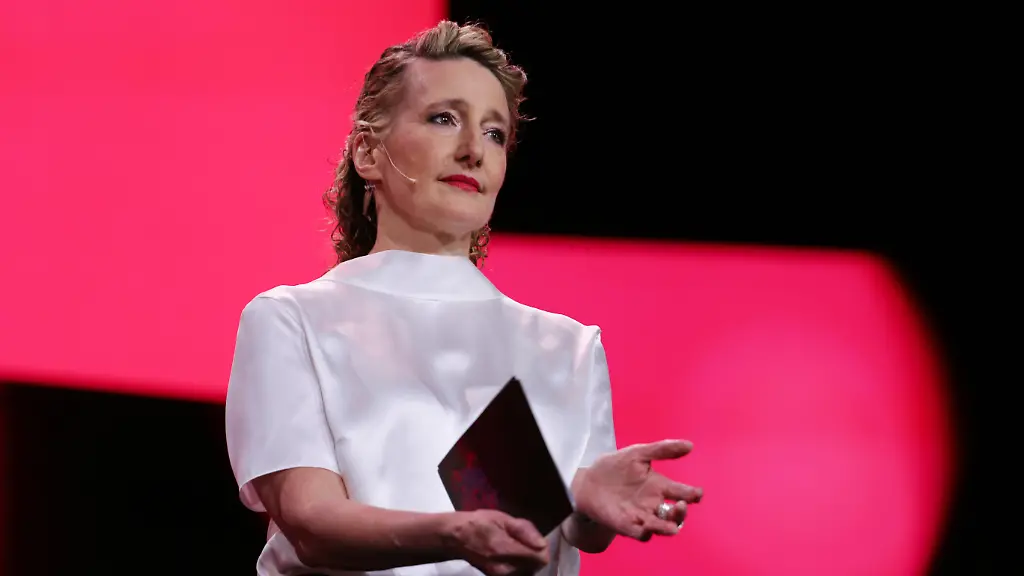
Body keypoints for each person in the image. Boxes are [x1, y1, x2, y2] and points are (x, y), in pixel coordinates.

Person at [225, 20, 703, 576]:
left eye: (495, 133)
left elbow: (570, 537)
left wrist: (584, 502)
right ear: (368, 154)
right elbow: (311, 522)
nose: (474, 150)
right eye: (443, 118)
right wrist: (455, 532)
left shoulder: (565, 346)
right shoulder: (292, 320)